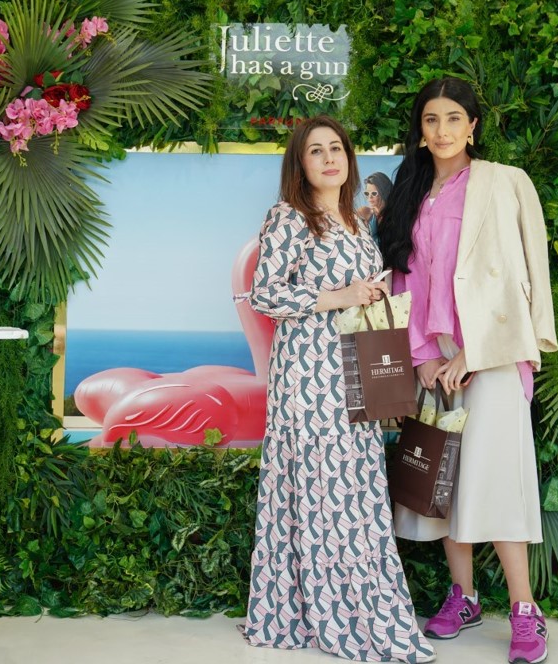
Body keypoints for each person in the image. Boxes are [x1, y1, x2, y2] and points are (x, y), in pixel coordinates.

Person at [241, 115, 436, 663]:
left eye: (336, 148)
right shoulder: (288, 216)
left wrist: (370, 296)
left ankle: (347, 605)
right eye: (315, 151)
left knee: (357, 487)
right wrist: (341, 296)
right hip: (309, 374)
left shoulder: (355, 219)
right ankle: (336, 615)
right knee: (326, 488)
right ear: (299, 164)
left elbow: (358, 291)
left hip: (356, 371)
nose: (329, 158)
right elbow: (265, 294)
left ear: (349, 157)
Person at [377, 77, 558, 664]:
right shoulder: (410, 193)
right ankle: (465, 597)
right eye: (431, 119)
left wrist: (477, 352)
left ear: (473, 126)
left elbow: (528, 273)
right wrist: (422, 356)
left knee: (496, 479)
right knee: (445, 482)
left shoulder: (505, 183)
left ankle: (525, 610)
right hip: (433, 360)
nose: (442, 130)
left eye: (454, 118)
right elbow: (402, 280)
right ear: (420, 129)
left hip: (493, 356)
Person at [358, 171, 393, 240]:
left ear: (384, 192)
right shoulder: (365, 212)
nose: (369, 197)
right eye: (367, 193)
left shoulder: (396, 215)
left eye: (374, 193)